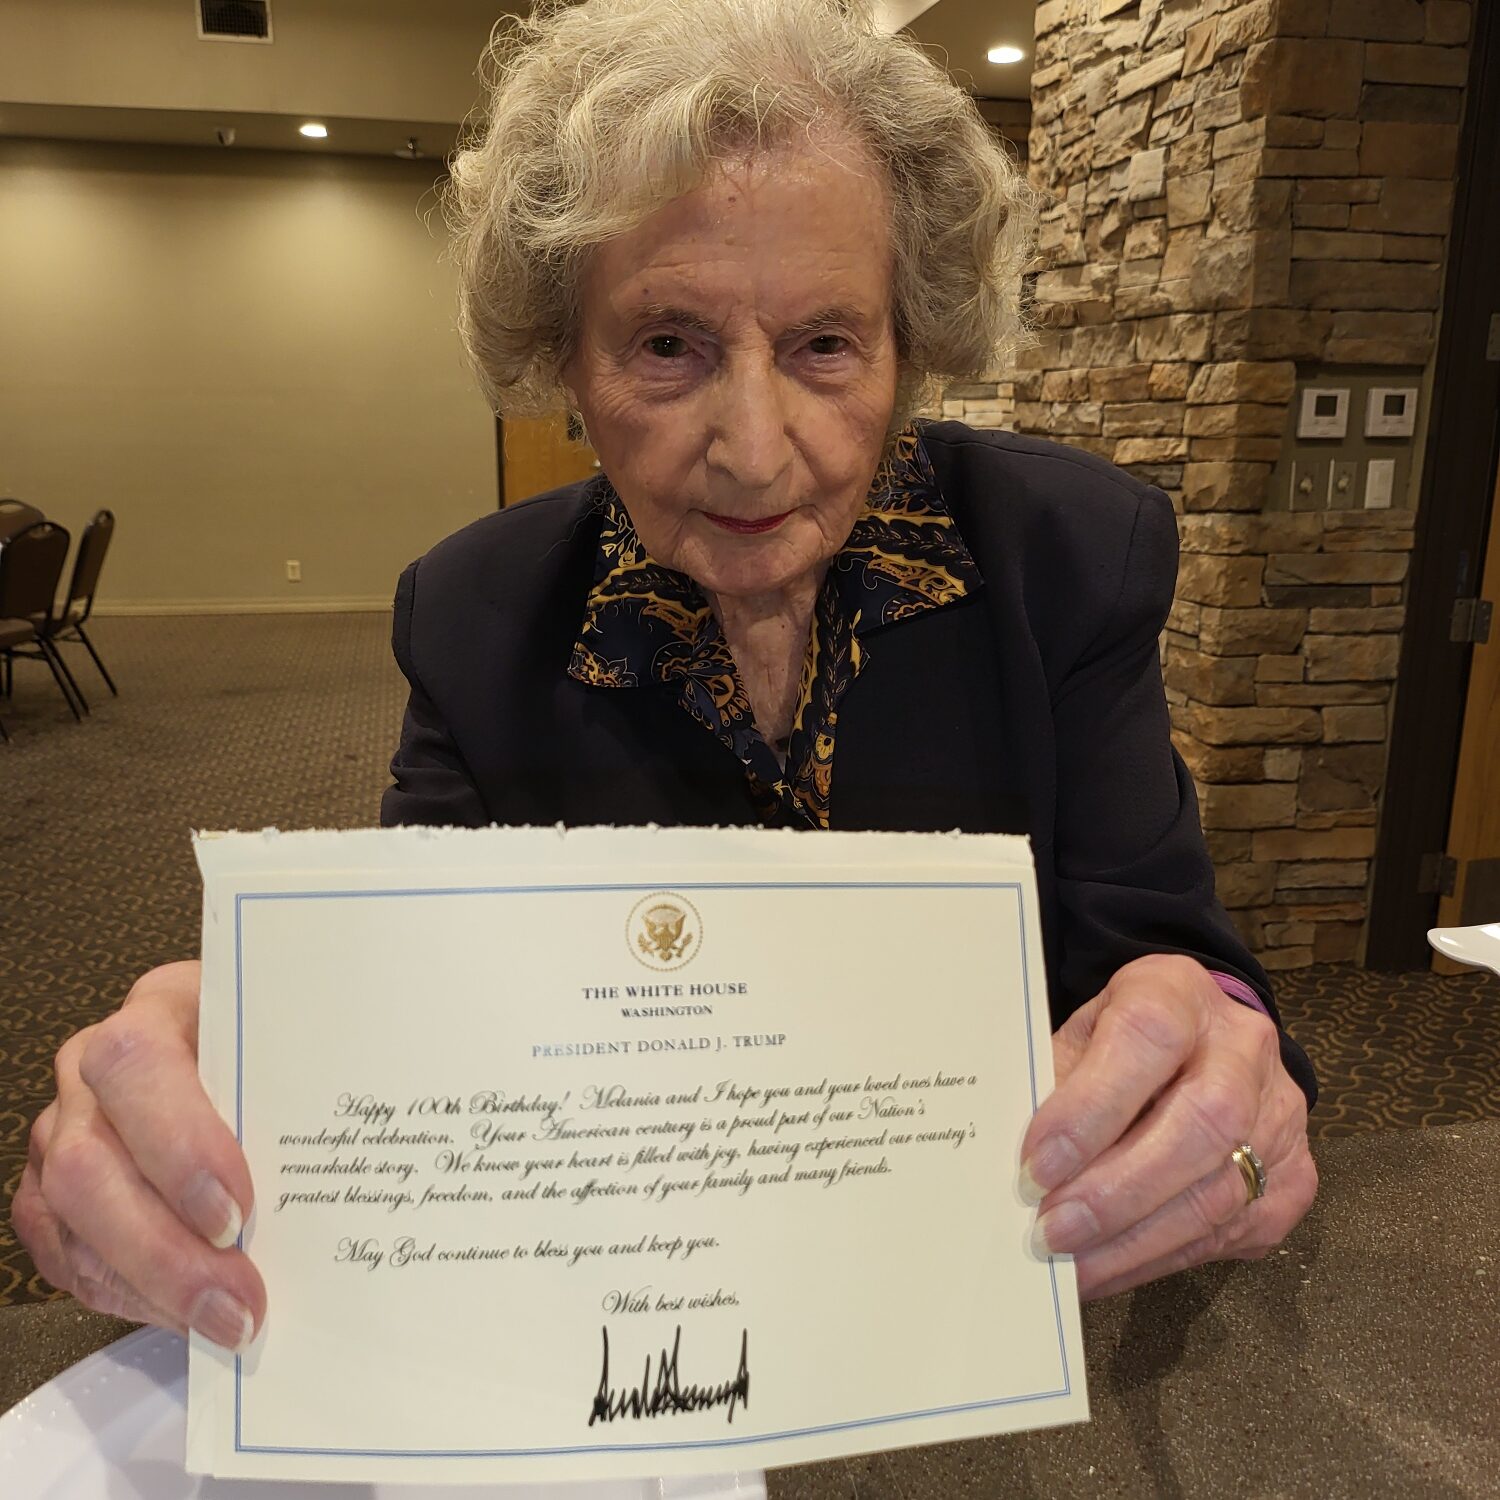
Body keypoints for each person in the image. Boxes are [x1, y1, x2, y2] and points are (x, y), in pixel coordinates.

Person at [13, 0, 1317, 1355]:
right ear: (564, 365)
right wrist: (244, 1062)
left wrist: (1220, 1054)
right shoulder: (474, 618)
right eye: (667, 346)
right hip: (626, 1320)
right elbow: (414, 999)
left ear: (909, 344)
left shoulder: (1071, 558)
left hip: (975, 1304)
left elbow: (1169, 952)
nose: (754, 449)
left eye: (825, 344)